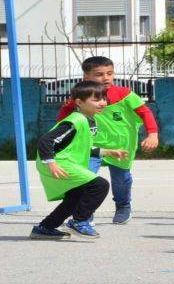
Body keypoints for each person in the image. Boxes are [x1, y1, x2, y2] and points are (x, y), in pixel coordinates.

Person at [57, 56, 159, 224]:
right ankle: (85, 213)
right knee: (86, 177)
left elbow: (145, 112)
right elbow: (64, 117)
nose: (106, 78)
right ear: (86, 77)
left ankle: (123, 205)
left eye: (109, 73)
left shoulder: (124, 94)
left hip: (121, 146)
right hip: (91, 145)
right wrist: (61, 138)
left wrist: (152, 133)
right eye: (99, 74)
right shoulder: (79, 96)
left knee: (121, 179)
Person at [31, 81, 128, 239]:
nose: (102, 103)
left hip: (65, 161)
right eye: (96, 100)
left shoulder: (90, 120)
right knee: (100, 185)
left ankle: (46, 227)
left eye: (103, 98)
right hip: (58, 162)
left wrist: (106, 152)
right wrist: (51, 163)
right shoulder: (75, 121)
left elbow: (81, 147)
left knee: (76, 197)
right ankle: (79, 221)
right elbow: (46, 141)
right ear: (79, 102)